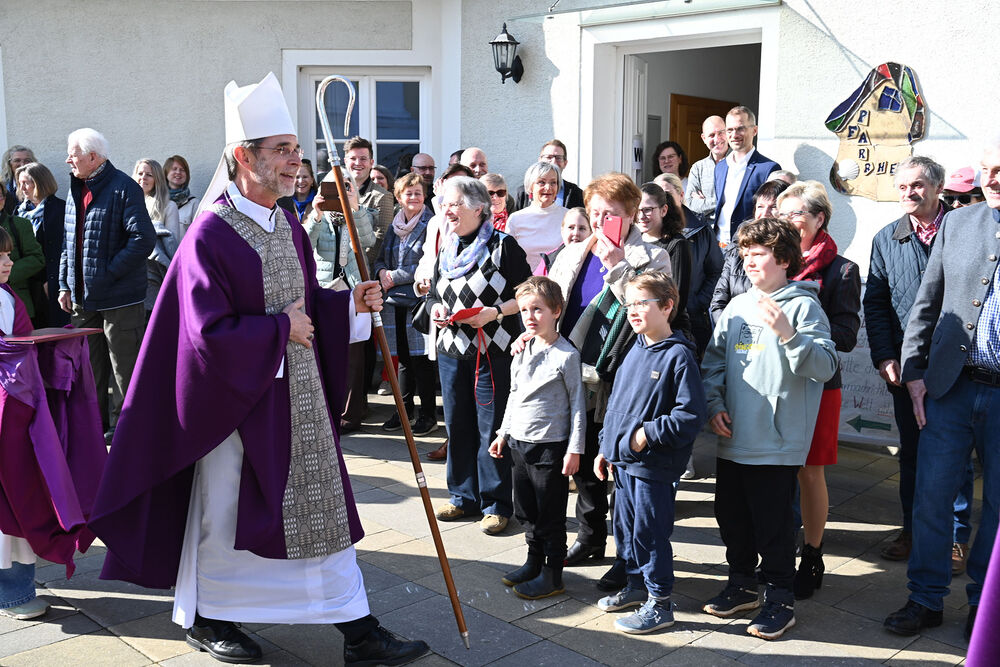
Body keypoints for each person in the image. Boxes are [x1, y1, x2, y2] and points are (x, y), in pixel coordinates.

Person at [89, 72, 428, 666]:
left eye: (296, 149)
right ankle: (211, 616)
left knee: (323, 511)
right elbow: (204, 335)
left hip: (300, 401)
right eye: (282, 150)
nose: (296, 161)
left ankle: (358, 629)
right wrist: (277, 332)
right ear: (244, 157)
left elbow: (305, 303)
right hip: (237, 410)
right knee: (228, 513)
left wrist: (349, 303)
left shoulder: (286, 220)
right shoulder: (210, 235)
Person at [883, 136, 1000, 641]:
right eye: (987, 169)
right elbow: (926, 305)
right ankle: (925, 599)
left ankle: (983, 605)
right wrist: (914, 373)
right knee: (931, 498)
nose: (991, 179)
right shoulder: (959, 222)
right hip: (950, 388)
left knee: (997, 508)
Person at [701, 217, 837, 640]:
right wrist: (714, 404)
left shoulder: (803, 307)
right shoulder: (737, 307)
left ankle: (780, 599)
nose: (748, 260)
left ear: (783, 259)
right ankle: (742, 585)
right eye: (744, 253)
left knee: (774, 525)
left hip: (777, 443)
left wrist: (788, 334)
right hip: (734, 438)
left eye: (757, 253)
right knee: (732, 518)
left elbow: (825, 366)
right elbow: (713, 364)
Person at [546, 173, 672, 570]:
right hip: (576, 368)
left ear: (632, 214)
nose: (602, 222)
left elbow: (648, 313)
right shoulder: (573, 252)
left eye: (612, 214)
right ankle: (590, 537)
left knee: (620, 461)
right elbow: (553, 302)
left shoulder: (653, 257)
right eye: (596, 213)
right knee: (584, 459)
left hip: (623, 371)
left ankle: (627, 555)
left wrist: (618, 266)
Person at [864, 156, 975, 571]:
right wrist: (885, 356)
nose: (909, 193)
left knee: (956, 454)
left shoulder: (963, 230)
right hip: (907, 366)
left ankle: (955, 538)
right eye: (902, 186)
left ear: (938, 187)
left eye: (917, 185)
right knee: (911, 453)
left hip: (958, 365)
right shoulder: (886, 239)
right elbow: (876, 304)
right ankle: (912, 531)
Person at [0, 226, 108, 622]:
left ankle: (15, 589)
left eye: (8, 254)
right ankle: (12, 593)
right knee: (13, 495)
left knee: (17, 494)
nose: (8, 262)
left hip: (14, 396)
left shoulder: (7, 294)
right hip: (9, 405)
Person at [592, 272, 707, 634]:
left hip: (653, 466)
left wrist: (646, 435)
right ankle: (635, 585)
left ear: (667, 306)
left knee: (649, 533)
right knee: (625, 529)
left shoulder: (678, 356)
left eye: (642, 302)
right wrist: (606, 447)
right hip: (623, 463)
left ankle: (660, 603)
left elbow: (690, 416)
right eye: (629, 303)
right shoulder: (635, 348)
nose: (633, 310)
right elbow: (617, 405)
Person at [428, 176, 532, 535]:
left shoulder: (504, 246)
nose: (447, 210)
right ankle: (462, 497)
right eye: (444, 203)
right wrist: (436, 308)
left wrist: (495, 313)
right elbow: (435, 293)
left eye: (455, 203)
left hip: (493, 351)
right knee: (457, 425)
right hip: (451, 351)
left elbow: (527, 296)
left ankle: (496, 504)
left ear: (478, 207)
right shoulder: (447, 245)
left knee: (491, 428)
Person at [775, 181, 861, 600]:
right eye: (781, 214)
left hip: (818, 385)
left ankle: (811, 554)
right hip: (772, 382)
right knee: (773, 468)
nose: (786, 221)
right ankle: (774, 550)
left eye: (795, 214)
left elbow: (846, 335)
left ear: (818, 219)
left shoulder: (842, 271)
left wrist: (800, 332)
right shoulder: (774, 264)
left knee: (810, 472)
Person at [489, 276, 585, 599]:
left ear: (556, 311)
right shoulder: (523, 348)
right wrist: (503, 433)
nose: (530, 317)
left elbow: (577, 406)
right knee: (526, 510)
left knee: (550, 513)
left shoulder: (566, 355)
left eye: (538, 309)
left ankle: (553, 573)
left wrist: (574, 449)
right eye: (525, 310)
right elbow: (514, 394)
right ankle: (533, 561)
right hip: (519, 442)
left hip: (549, 447)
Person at [59, 128, 155, 438]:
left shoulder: (125, 188)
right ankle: (93, 430)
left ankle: (124, 434)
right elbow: (69, 242)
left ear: (92, 157)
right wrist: (64, 284)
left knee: (123, 370)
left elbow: (143, 239)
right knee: (89, 370)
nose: (68, 160)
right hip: (82, 300)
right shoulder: (76, 188)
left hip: (120, 300)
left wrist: (107, 273)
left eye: (73, 154)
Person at [305, 171, 378, 434]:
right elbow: (305, 244)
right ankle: (327, 409)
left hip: (354, 288)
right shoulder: (319, 217)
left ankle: (351, 414)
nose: (339, 192)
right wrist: (316, 214)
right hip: (327, 289)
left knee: (355, 354)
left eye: (345, 187)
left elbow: (368, 241)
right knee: (327, 350)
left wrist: (355, 208)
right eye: (333, 187)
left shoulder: (359, 213)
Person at [373, 172, 437, 436]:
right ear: (399, 198)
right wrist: (380, 273)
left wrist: (393, 277)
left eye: (418, 193)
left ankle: (428, 415)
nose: (414, 197)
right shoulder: (394, 225)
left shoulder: (431, 223)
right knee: (402, 360)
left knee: (422, 360)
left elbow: (427, 263)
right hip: (394, 302)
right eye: (408, 193)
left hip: (418, 299)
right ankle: (403, 411)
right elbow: (380, 258)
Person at [710, 180, 790, 321]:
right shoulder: (738, 246)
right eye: (760, 206)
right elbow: (718, 301)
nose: (765, 213)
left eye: (773, 207)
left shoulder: (789, 251)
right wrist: (730, 329)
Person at [713, 106, 781, 244]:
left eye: (740, 129)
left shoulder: (768, 168)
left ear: (754, 130)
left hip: (748, 245)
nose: (734, 135)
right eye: (730, 130)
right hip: (718, 245)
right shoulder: (720, 167)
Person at [14, 162, 68, 327]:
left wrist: (52, 281)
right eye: (20, 183)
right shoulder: (19, 212)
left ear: (40, 183)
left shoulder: (60, 209)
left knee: (54, 330)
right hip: (26, 284)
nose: (22, 188)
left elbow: (63, 250)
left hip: (50, 283)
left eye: (26, 183)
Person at [132, 159, 181, 314]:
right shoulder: (126, 203)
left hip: (154, 276)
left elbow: (171, 245)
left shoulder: (169, 206)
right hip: (130, 275)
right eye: (140, 173)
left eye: (149, 175)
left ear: (157, 179)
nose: (143, 178)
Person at [506, 161, 568, 271]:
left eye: (553, 182)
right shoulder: (515, 219)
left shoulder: (568, 216)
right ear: (530, 186)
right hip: (525, 279)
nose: (548, 187)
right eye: (541, 182)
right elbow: (508, 258)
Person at [343, 136, 395, 261]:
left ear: (371, 162)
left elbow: (381, 239)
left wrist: (355, 263)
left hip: (364, 266)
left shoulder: (382, 196)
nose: (357, 163)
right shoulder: (336, 191)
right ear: (345, 161)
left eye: (363, 159)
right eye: (353, 158)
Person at [0, 187, 44, 322]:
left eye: (0, 196)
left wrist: (6, 274)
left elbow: (37, 258)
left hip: (17, 304)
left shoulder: (20, 224)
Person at [513, 140, 585, 211]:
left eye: (558, 158)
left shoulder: (576, 193)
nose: (553, 162)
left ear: (565, 163)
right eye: (549, 157)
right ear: (540, 160)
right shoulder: (523, 192)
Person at [684, 116, 728, 229]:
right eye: (711, 135)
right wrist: (725, 200)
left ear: (727, 132)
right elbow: (690, 205)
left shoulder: (739, 163)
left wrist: (705, 202)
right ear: (704, 138)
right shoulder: (698, 168)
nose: (717, 139)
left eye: (721, 133)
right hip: (707, 233)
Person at [540, 207, 591, 274]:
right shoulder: (548, 260)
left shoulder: (598, 259)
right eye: (571, 227)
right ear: (562, 231)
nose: (576, 233)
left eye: (582, 228)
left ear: (591, 232)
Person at [163, 155, 199, 237]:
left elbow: (196, 234)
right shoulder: (157, 200)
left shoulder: (194, 203)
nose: (178, 172)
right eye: (174, 169)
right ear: (166, 173)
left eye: (182, 170)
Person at [2, 146, 35, 216]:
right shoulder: (2, 187)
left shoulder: (40, 184)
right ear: (9, 164)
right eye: (17, 160)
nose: (22, 164)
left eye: (27, 160)